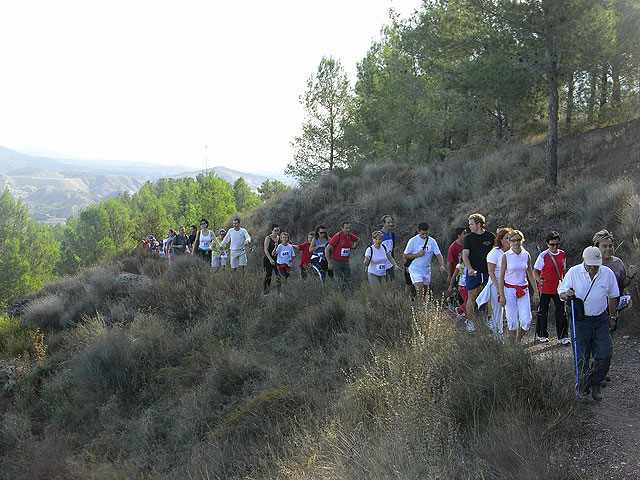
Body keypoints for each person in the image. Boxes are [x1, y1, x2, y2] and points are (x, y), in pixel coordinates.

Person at [558, 246, 619, 401]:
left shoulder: (607, 274)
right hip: (580, 321)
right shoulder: (573, 272)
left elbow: (613, 296)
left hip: (600, 319)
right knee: (581, 356)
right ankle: (583, 387)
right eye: (590, 264)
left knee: (605, 354)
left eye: (595, 264)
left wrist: (613, 317)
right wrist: (567, 294)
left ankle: (595, 381)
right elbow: (561, 293)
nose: (592, 267)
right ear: (583, 260)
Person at [498, 230, 539, 345]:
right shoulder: (506, 256)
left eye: (518, 240)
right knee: (512, 321)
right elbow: (501, 277)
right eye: (513, 240)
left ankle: (518, 340)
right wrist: (501, 295)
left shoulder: (526, 255)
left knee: (526, 320)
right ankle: (512, 346)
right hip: (509, 290)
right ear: (509, 242)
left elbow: (530, 273)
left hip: (523, 290)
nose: (516, 243)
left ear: (522, 240)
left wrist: (535, 292)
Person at [593, 229, 637, 332]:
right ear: (597, 247)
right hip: (595, 306)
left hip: (613, 306)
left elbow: (622, 284)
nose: (608, 249)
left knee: (608, 335)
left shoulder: (617, 262)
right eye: (604, 246)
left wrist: (630, 276)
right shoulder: (592, 264)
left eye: (610, 245)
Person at [533, 231, 569, 344]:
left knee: (561, 312)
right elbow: (535, 271)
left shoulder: (562, 254)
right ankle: (542, 334)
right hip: (545, 288)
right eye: (552, 244)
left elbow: (563, 270)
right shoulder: (543, 255)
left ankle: (563, 336)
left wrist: (565, 282)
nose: (554, 247)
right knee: (543, 311)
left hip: (558, 288)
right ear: (547, 244)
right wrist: (539, 280)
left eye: (557, 244)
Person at [462, 213, 495, 332]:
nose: (469, 226)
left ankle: (491, 320)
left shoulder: (490, 236)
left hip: (488, 271)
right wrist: (469, 269)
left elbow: (496, 253)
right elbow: (465, 255)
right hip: (474, 272)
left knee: (492, 296)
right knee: (472, 295)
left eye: (471, 224)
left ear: (479, 224)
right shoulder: (468, 238)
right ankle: (470, 322)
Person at [478, 227, 512, 340]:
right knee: (498, 310)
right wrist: (497, 286)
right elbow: (491, 271)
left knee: (511, 310)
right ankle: (498, 336)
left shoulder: (514, 252)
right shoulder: (495, 253)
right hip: (496, 281)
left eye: (510, 238)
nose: (509, 240)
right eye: (506, 238)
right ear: (501, 240)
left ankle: (511, 335)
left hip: (511, 282)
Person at [402, 222, 446, 303]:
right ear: (418, 231)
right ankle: (420, 311)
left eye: (426, 233)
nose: (425, 236)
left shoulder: (432, 241)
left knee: (425, 293)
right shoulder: (413, 241)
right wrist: (417, 254)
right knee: (420, 292)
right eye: (423, 234)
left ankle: (422, 308)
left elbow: (438, 254)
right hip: (415, 269)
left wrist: (442, 265)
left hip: (426, 269)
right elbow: (405, 255)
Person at [326, 222, 360, 287]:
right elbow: (327, 249)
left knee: (347, 279)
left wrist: (354, 246)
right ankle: (338, 293)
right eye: (346, 228)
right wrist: (329, 263)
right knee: (338, 279)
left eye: (349, 228)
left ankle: (346, 293)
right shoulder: (337, 236)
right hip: (336, 261)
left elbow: (358, 239)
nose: (348, 230)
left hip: (346, 261)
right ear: (342, 228)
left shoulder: (350, 236)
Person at [262, 224, 280, 295]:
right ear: (272, 230)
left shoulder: (279, 238)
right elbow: (265, 250)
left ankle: (280, 292)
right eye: (275, 231)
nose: (276, 232)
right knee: (268, 275)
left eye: (278, 230)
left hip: (277, 259)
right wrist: (270, 259)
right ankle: (266, 293)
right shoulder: (268, 238)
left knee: (279, 275)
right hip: (268, 259)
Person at [380, 215, 396, 281]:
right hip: (381, 264)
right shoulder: (379, 235)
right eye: (388, 222)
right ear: (383, 223)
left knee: (392, 282)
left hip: (390, 264)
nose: (390, 224)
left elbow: (392, 250)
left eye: (391, 222)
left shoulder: (392, 235)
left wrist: (394, 263)